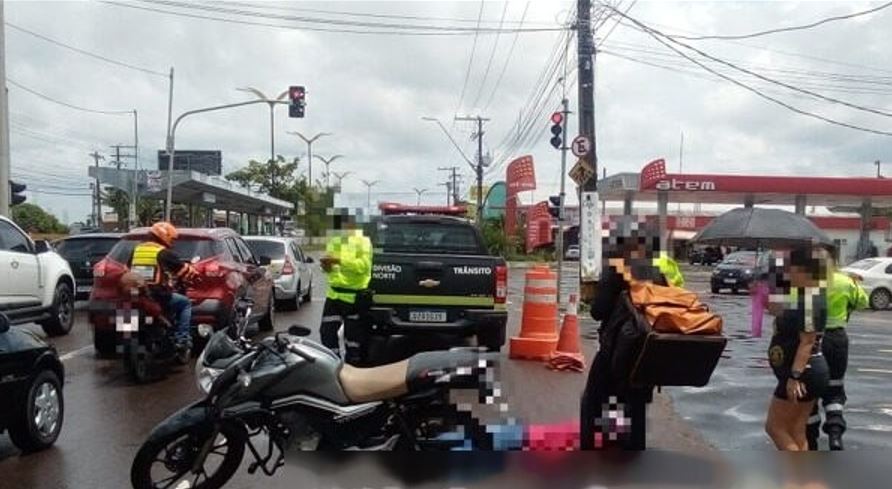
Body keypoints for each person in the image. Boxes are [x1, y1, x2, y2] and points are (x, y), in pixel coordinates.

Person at [581, 217, 669, 450]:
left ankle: (588, 445)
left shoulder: (616, 269)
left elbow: (598, 311)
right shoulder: (656, 272)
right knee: (638, 400)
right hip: (648, 349)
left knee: (591, 397)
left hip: (615, 349)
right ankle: (636, 445)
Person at [764, 247, 830, 451]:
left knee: (775, 428)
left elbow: (808, 341)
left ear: (804, 270)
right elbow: (775, 309)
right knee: (795, 430)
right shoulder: (806, 296)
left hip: (803, 373)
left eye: (791, 268)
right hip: (808, 372)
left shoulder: (810, 300)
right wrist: (775, 274)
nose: (788, 272)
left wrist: (794, 376)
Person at [806, 263, 868, 450]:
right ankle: (835, 434)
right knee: (834, 388)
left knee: (810, 392)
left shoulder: (807, 281)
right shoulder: (845, 281)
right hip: (837, 339)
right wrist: (855, 284)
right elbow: (862, 303)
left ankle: (811, 439)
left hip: (812, 338)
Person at [129, 221, 199, 352]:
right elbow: (184, 270)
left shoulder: (136, 250)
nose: (172, 242)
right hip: (158, 295)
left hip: (136, 294)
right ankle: (182, 338)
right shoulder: (163, 253)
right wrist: (194, 274)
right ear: (165, 237)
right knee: (185, 304)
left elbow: (127, 269)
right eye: (171, 239)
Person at [319, 216, 373, 363]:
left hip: (354, 297)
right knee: (327, 332)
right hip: (334, 295)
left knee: (353, 338)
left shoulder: (363, 241)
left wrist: (339, 260)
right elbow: (330, 270)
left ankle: (353, 365)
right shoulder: (335, 241)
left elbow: (363, 266)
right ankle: (333, 363)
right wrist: (326, 266)